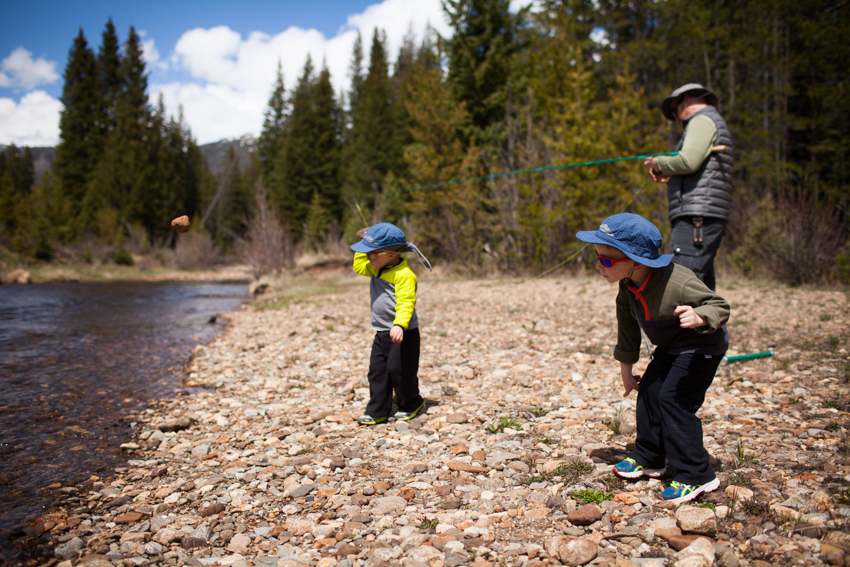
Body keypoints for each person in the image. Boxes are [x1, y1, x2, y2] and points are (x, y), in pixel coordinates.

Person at [576, 212, 730, 504]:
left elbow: (719, 305)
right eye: (597, 257)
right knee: (649, 391)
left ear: (636, 261)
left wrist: (700, 316)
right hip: (672, 346)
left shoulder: (678, 282)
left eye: (606, 261)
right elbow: (628, 329)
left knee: (673, 399)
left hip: (701, 345)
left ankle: (697, 474)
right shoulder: (628, 287)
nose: (598, 266)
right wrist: (626, 369)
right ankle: (650, 456)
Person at [643, 83, 734, 291]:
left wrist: (658, 162)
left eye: (675, 111)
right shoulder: (711, 121)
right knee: (700, 286)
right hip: (702, 214)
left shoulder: (701, 119)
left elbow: (688, 161)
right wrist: (670, 175)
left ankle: (689, 325)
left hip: (696, 216)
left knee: (683, 286)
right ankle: (711, 324)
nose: (676, 119)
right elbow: (698, 167)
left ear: (688, 100)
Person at [350, 223, 431, 426]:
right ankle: (378, 410)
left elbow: (406, 302)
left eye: (372, 254)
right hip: (382, 332)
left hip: (403, 332)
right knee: (377, 371)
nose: (368, 258)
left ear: (392, 255)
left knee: (399, 369)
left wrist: (399, 324)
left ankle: (412, 403)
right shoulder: (376, 267)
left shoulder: (404, 275)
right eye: (366, 254)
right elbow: (358, 266)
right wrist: (365, 242)